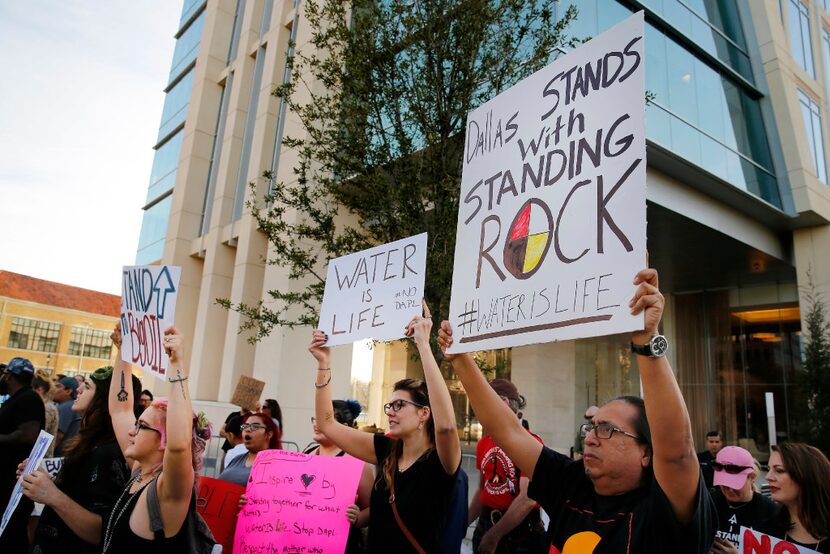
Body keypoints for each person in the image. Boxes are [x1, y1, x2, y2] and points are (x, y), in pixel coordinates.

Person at [438, 267, 717, 553]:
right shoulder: (571, 483)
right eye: (591, 427)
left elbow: (677, 452)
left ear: (646, 452)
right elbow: (506, 430)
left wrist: (646, 340)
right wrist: (459, 359)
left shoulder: (663, 512)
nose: (590, 438)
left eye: (607, 429)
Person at [310, 303, 462, 552]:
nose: (390, 411)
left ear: (424, 413)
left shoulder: (441, 460)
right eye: (389, 406)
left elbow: (445, 428)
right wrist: (323, 362)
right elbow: (327, 424)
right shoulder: (386, 449)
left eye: (399, 405)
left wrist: (423, 344)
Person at [100, 325, 213, 551]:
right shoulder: (139, 471)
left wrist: (176, 364)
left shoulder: (169, 487)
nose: (131, 432)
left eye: (141, 426)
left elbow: (179, 446)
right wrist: (124, 351)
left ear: (165, 441)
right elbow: (121, 410)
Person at [21, 366, 131, 553]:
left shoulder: (107, 453)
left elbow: (101, 531)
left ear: (104, 401)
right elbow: (78, 496)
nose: (78, 389)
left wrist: (52, 495)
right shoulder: (89, 443)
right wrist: (45, 482)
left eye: (87, 387)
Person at [469, 379, 545, 554]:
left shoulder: (531, 442)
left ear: (504, 401)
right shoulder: (484, 443)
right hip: (485, 525)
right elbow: (483, 490)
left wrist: (494, 536)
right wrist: (462, 525)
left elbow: (527, 499)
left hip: (521, 532)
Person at [304, 399, 373, 554]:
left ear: (344, 428)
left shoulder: (355, 460)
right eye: (315, 418)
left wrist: (358, 517)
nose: (317, 424)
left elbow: (373, 507)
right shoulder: (306, 454)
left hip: (339, 544)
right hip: (304, 540)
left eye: (325, 420)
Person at [0, 357, 45, 553]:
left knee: (11, 535)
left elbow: (28, 435)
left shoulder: (29, 398)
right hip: (9, 479)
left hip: (13, 482)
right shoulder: (17, 398)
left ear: (10, 375)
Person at [760, 443, 830, 552]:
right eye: (768, 469)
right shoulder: (766, 530)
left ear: (807, 475)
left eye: (779, 470)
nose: (768, 477)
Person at [708, 446, 777, 553]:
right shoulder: (709, 502)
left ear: (752, 477)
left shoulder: (769, 510)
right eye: (724, 484)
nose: (730, 489)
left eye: (735, 484)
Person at [217, 412, 280, 486]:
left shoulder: (277, 464)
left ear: (269, 434)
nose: (248, 429)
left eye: (255, 426)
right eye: (245, 426)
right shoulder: (236, 459)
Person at [32, 371, 59, 457]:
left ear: (40, 389)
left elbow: (40, 435)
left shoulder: (47, 408)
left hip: (40, 459)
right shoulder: (45, 406)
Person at [54, 376, 81, 455]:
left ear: (68, 391)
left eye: (58, 386)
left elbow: (58, 436)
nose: (54, 389)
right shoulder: (71, 405)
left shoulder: (66, 407)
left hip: (59, 456)